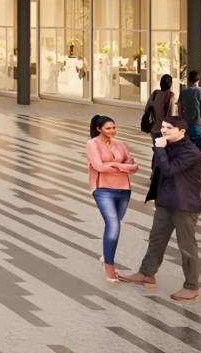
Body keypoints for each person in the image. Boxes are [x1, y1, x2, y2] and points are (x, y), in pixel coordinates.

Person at [120, 116, 201, 302]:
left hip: (184, 205)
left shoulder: (191, 152)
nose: (164, 130)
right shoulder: (166, 145)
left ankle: (192, 287)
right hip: (165, 202)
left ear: (182, 132)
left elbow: (169, 170)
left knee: (187, 247)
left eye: (170, 128)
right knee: (156, 239)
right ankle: (146, 273)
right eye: (164, 126)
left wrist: (159, 149)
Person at [85, 115, 138, 282]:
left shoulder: (120, 144)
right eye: (108, 128)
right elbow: (99, 167)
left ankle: (106, 255)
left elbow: (134, 166)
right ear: (99, 129)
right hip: (102, 189)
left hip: (123, 190)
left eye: (114, 127)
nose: (112, 131)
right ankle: (109, 264)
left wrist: (115, 165)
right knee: (113, 225)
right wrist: (123, 167)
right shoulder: (92, 144)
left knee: (115, 224)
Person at [178, 70, 201, 153]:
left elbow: (180, 110)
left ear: (188, 80)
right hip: (198, 125)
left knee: (188, 149)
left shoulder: (183, 92)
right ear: (198, 80)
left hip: (186, 126)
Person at [144, 74, 176, 140]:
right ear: (170, 84)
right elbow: (172, 116)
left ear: (160, 83)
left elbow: (146, 109)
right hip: (165, 131)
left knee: (156, 146)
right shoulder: (171, 96)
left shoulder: (155, 94)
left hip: (153, 128)